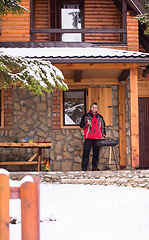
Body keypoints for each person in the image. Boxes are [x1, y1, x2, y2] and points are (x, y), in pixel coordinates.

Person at [80, 102, 106, 171]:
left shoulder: (100, 117)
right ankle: (84, 168)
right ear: (90, 108)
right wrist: (86, 123)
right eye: (93, 107)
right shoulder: (86, 116)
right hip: (88, 137)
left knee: (96, 154)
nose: (94, 109)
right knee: (86, 152)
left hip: (97, 137)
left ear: (97, 109)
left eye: (96, 107)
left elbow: (103, 126)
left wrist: (103, 134)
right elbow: (81, 125)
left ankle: (95, 167)